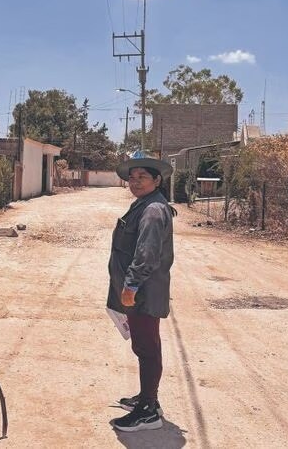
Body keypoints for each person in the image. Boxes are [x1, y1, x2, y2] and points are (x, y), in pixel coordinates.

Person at [107, 151, 176, 432]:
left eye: (142, 177)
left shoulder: (152, 210)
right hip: (140, 291)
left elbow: (146, 253)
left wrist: (131, 286)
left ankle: (149, 410)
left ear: (157, 180)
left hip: (143, 292)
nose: (135, 181)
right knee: (145, 346)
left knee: (146, 348)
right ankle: (147, 398)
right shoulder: (144, 203)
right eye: (132, 177)